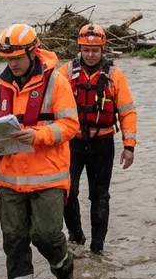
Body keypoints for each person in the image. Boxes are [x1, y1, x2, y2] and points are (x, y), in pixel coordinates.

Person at [0, 23, 79, 279]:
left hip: (49, 176)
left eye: (17, 57)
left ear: (33, 52)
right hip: (9, 179)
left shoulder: (56, 83)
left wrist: (38, 135)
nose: (13, 63)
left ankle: (64, 267)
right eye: (8, 58)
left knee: (45, 235)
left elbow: (70, 126)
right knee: (14, 241)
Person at [57, 23, 137, 254]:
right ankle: (76, 235)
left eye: (95, 50)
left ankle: (98, 246)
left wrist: (129, 145)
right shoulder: (65, 73)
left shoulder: (114, 75)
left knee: (100, 195)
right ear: (80, 48)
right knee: (67, 191)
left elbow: (127, 111)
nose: (90, 55)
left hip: (103, 143)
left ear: (103, 49)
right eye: (86, 50)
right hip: (73, 142)